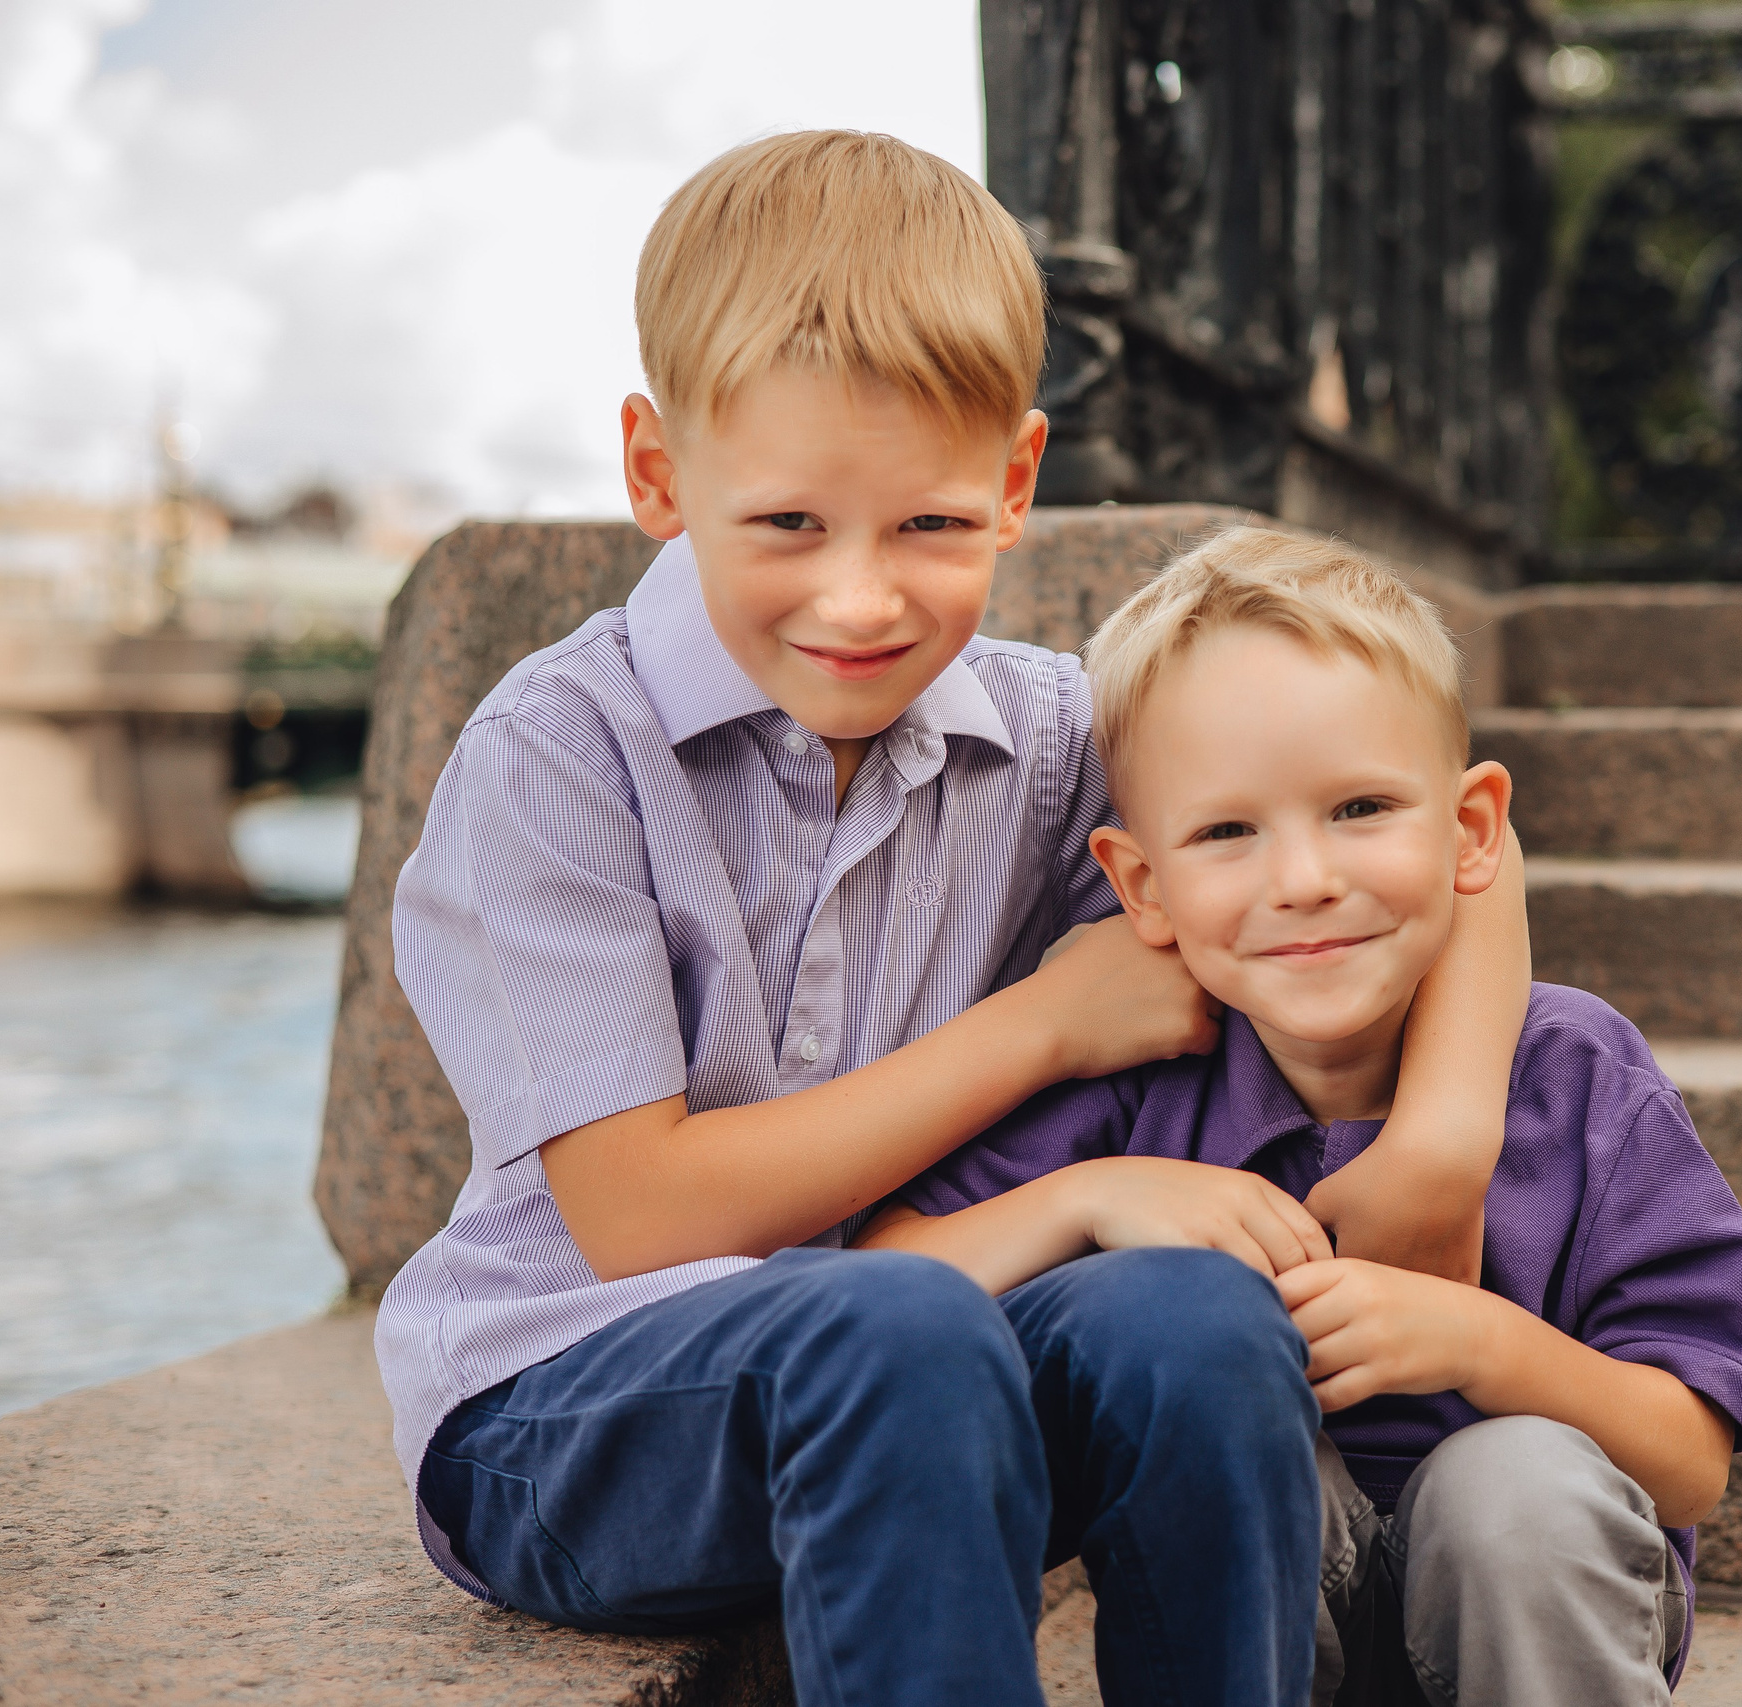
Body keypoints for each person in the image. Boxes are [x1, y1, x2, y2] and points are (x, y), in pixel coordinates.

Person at [374, 132, 1529, 1707]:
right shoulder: (558, 752)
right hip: (568, 1412)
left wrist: (1448, 1139)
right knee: (899, 1324)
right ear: (658, 472)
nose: (860, 599)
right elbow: (643, 1214)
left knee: (1193, 1314)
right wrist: (1048, 1040)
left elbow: (1426, 817)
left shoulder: (1053, 740)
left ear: (1015, 481)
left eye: (926, 526)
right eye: (787, 525)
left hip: (941, 1364)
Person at [862, 526, 1742, 1706]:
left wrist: (1477, 1342)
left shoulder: (1577, 1074)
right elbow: (894, 1266)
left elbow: (1690, 1463)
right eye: (1226, 832)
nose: (1302, 878)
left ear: (1469, 830)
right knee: (1239, 1446)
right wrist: (1084, 1199)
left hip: (1535, 1600)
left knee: (1509, 1485)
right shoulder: (1137, 1088)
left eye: (1358, 807)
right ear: (1141, 885)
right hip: (1259, 1617)